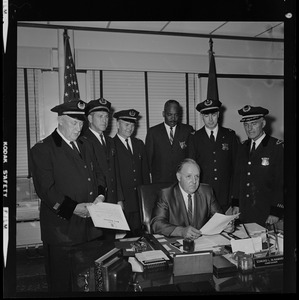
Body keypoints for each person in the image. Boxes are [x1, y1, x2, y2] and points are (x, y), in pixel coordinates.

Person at [29, 100, 107, 293]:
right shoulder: (43, 149)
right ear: (60, 121)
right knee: (61, 284)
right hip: (61, 231)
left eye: (81, 123)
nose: (79, 128)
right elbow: (46, 191)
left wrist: (101, 197)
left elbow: (99, 175)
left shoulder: (85, 144)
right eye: (74, 122)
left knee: (88, 282)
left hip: (90, 228)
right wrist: (74, 208)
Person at [150, 158, 234, 239]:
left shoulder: (207, 192)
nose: (194, 181)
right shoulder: (166, 194)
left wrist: (226, 225)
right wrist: (181, 231)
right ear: (179, 177)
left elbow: (219, 217)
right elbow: (156, 224)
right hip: (177, 242)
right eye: (188, 176)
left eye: (197, 176)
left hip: (202, 243)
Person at [231, 105, 284, 226]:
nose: (249, 128)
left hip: (266, 213)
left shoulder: (276, 147)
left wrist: (276, 211)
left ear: (263, 123)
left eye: (254, 123)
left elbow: (281, 182)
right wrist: (236, 203)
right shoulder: (242, 146)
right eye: (246, 124)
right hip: (244, 212)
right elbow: (238, 178)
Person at [188, 99, 239, 212]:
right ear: (202, 116)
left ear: (219, 114)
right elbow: (191, 169)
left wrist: (235, 199)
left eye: (214, 115)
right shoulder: (194, 137)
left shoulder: (230, 135)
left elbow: (236, 168)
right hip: (203, 195)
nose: (210, 119)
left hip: (226, 196)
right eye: (206, 115)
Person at [80, 97, 124, 207]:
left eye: (106, 117)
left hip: (112, 199)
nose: (105, 120)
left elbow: (115, 172)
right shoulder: (82, 141)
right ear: (90, 118)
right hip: (96, 200)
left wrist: (119, 199)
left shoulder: (110, 141)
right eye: (100, 116)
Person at [113, 109, 150, 236]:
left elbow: (144, 173)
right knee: (124, 238)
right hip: (123, 201)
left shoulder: (139, 144)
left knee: (140, 236)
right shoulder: (111, 145)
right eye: (126, 124)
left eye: (132, 125)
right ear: (118, 124)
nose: (130, 128)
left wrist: (147, 197)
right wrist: (119, 199)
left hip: (139, 200)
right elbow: (113, 176)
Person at [145, 99, 194, 184]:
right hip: (160, 181)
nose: (173, 118)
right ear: (163, 114)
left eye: (176, 115)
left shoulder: (187, 130)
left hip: (181, 180)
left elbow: (191, 157)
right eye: (169, 115)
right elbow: (148, 160)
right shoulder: (153, 132)